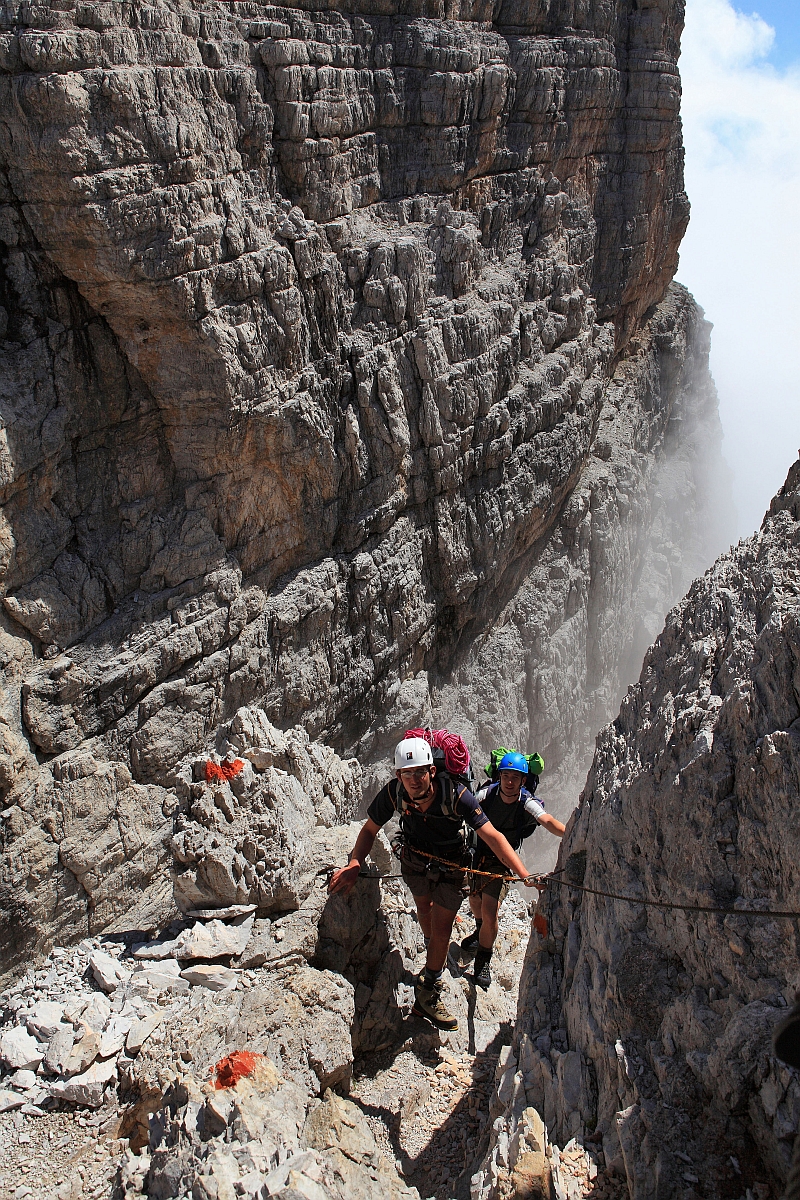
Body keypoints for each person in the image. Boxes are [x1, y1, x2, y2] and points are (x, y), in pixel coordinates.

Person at [328, 737, 539, 1031]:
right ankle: (432, 952)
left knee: (441, 929)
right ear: (398, 775)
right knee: (423, 910)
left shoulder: (456, 794)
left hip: (452, 868)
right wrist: (354, 863)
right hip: (415, 862)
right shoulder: (394, 792)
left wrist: (523, 874)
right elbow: (369, 830)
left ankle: (428, 989)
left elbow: (493, 836)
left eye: (419, 772)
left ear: (431, 770)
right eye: (407, 773)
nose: (413, 780)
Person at [458, 751, 565, 988]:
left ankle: (483, 959)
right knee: (474, 901)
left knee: (490, 912)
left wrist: (570, 832)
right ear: (499, 776)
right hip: (478, 856)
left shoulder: (525, 801)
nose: (509, 782)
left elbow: (546, 820)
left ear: (522, 781)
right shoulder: (486, 794)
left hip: (502, 863)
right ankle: (480, 932)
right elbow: (463, 811)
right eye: (505, 776)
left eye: (514, 778)